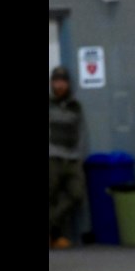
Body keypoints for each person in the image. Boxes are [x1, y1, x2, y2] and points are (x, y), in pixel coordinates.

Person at [48, 65, 88, 249]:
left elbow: (81, 132)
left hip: (72, 158)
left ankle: (51, 224)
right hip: (52, 157)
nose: (59, 85)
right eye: (56, 81)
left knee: (76, 194)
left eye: (63, 82)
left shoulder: (75, 106)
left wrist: (80, 155)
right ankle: (55, 236)